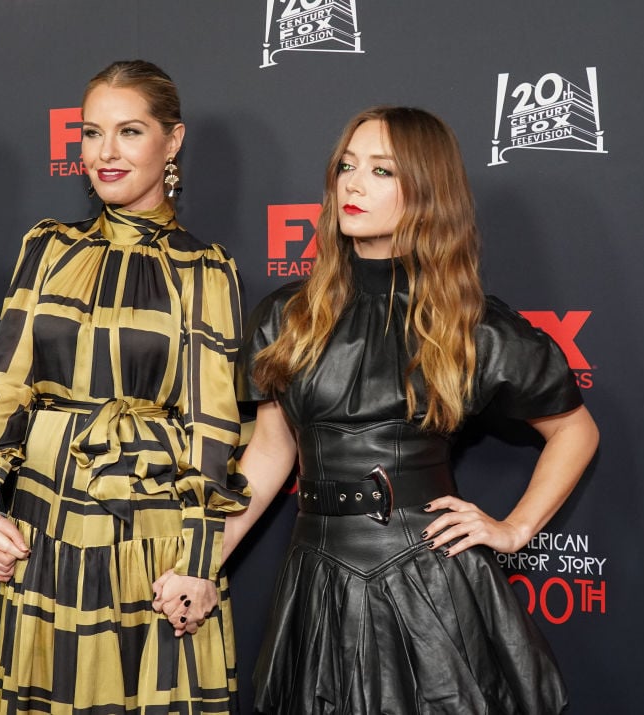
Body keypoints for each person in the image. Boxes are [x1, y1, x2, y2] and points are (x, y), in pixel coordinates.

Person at [221, 106, 599, 714]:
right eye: (347, 166)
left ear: (426, 191)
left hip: (429, 584)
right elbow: (269, 453)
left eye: (381, 171)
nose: (353, 183)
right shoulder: (286, 314)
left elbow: (574, 431)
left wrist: (514, 527)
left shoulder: (469, 323)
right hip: (315, 580)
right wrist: (203, 560)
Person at [0, 59, 249, 713]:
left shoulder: (203, 269)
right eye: (92, 133)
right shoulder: (48, 247)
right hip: (43, 537)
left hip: (150, 549)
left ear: (172, 142)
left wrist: (200, 564)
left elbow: (214, 428)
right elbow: (7, 387)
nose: (106, 152)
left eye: (130, 131)